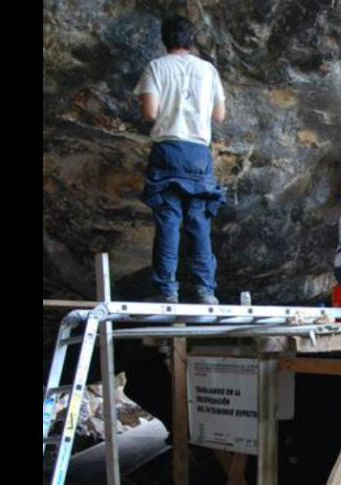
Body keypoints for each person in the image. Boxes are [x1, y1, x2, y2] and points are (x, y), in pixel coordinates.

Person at [133, 16, 227, 304]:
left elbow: (149, 113)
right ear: (191, 39)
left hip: (168, 150)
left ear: (165, 38)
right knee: (199, 221)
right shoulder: (207, 70)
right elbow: (219, 115)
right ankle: (205, 290)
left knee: (169, 220)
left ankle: (167, 290)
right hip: (198, 152)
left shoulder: (157, 67)